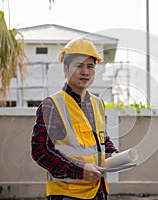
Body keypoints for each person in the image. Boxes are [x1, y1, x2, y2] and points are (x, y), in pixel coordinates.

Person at [31, 37, 119, 200]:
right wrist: (80, 170)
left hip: (98, 191)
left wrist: (113, 153)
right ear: (65, 69)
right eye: (79, 66)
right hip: (67, 194)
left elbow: (101, 140)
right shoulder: (52, 105)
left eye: (90, 66)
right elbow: (40, 151)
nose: (85, 72)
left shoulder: (98, 103)